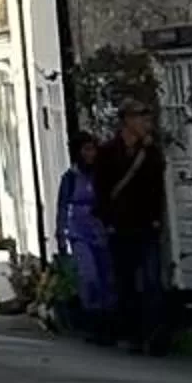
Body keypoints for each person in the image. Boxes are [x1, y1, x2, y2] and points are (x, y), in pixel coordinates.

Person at [94, 100, 170, 353]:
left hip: (146, 224)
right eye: (140, 118)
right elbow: (102, 190)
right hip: (120, 226)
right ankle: (133, 334)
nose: (145, 123)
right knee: (126, 281)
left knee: (152, 280)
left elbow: (157, 188)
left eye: (146, 118)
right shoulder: (107, 153)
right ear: (126, 120)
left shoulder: (151, 154)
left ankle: (155, 336)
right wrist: (108, 221)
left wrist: (157, 218)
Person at [58, 131, 115, 334]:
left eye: (93, 149)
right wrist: (62, 236)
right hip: (78, 232)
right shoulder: (70, 178)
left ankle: (107, 320)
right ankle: (91, 317)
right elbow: (63, 207)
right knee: (88, 275)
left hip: (100, 230)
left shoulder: (101, 175)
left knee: (106, 277)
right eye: (86, 149)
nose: (91, 154)